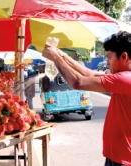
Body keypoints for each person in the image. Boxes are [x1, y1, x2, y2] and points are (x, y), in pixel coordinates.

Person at [42, 31, 131, 166]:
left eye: (109, 57)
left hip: (123, 160)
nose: (107, 62)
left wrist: (56, 58)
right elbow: (89, 73)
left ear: (124, 56)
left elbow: (79, 82)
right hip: (116, 156)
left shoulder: (125, 79)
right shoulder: (123, 77)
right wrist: (62, 56)